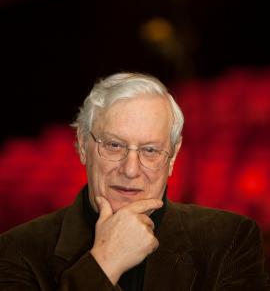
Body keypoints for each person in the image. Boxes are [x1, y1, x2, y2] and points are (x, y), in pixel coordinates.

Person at [0, 72, 269, 291]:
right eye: (114, 145)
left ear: (172, 157)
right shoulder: (15, 250)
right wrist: (105, 263)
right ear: (82, 145)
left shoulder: (231, 239)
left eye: (150, 150)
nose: (130, 170)